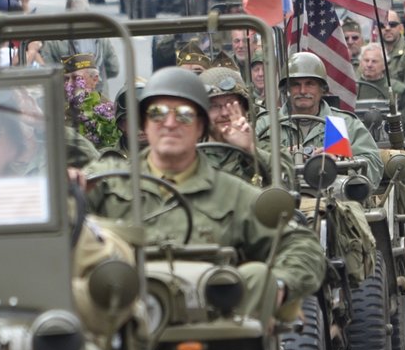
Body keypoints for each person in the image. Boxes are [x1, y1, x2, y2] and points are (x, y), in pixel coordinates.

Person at [88, 67, 326, 325]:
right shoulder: (110, 181)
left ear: (198, 123)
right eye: (157, 114)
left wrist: (277, 284)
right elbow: (58, 218)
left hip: (218, 311)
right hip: (126, 312)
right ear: (143, 123)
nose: (169, 123)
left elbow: (298, 234)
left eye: (184, 115)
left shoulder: (233, 190)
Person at [258, 51, 384, 188]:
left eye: (310, 84)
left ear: (322, 88)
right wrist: (279, 156)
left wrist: (341, 160)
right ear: (286, 88)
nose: (302, 90)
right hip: (278, 199)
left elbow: (374, 165)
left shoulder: (342, 123)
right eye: (295, 84)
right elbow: (244, 164)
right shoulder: (266, 124)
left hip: (334, 202)